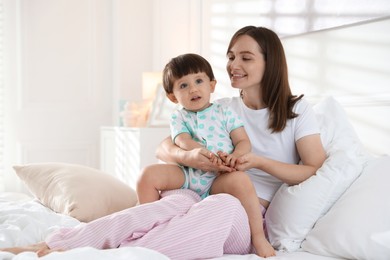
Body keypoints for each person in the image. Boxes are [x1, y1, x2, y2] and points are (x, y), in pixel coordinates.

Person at [1, 26, 326, 259]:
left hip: (247, 211)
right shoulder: (223, 107)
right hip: (204, 189)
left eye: (246, 57)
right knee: (166, 205)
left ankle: (117, 255)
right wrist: (193, 156)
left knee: (220, 206)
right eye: (230, 56)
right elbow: (164, 148)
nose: (233, 65)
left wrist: (258, 162)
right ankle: (57, 245)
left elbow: (313, 168)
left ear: (270, 62)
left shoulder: (297, 111)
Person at [137, 53, 274, 257]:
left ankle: (258, 237)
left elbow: (243, 141)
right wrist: (197, 153)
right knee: (147, 175)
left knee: (242, 181)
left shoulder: (224, 112)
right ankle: (147, 225)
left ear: (211, 85)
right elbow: (182, 140)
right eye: (183, 86)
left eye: (199, 81)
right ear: (173, 97)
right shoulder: (178, 116)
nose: (193, 89)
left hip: (219, 178)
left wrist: (234, 157)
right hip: (187, 174)